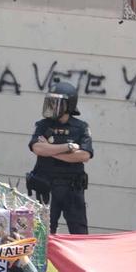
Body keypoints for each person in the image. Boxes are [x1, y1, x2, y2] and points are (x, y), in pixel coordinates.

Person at [27, 80, 94, 235]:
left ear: (69, 105)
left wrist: (50, 151)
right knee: (42, 233)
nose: (52, 106)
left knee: (79, 234)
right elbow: (37, 148)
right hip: (46, 188)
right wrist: (68, 148)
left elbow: (84, 155)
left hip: (72, 190)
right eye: (51, 102)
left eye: (56, 103)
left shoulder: (81, 128)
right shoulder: (43, 125)